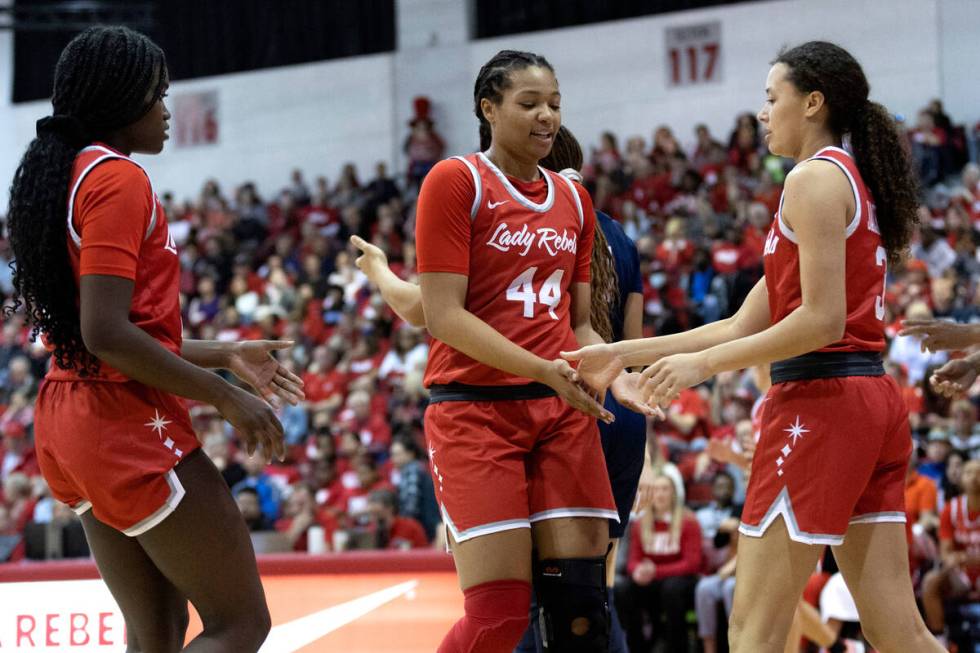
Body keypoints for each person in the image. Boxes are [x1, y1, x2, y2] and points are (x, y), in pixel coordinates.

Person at [563, 41, 942, 652]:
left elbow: (821, 321)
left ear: (813, 102)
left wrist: (702, 366)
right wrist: (622, 354)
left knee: (752, 631)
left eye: (772, 98)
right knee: (897, 629)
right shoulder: (846, 180)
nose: (763, 113)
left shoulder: (813, 179)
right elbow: (741, 324)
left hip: (820, 403)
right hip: (868, 402)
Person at [6, 26, 303, 652]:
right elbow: (107, 333)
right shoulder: (118, 180)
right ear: (120, 98)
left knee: (156, 634)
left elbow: (104, 335)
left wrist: (223, 354)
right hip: (122, 419)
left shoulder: (65, 174)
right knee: (240, 624)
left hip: (69, 416)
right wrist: (224, 396)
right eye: (157, 94)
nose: (167, 110)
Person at [352, 123, 654, 652]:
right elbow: (624, 337)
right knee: (584, 603)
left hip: (558, 395)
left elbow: (425, 310)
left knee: (527, 606)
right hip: (604, 397)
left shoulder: (504, 208)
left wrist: (380, 272)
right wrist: (625, 378)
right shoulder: (619, 235)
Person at [415, 49, 662, 653]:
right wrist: (544, 370)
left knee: (582, 614)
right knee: (499, 615)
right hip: (475, 412)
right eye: (528, 104)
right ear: (489, 108)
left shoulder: (575, 201)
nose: (546, 116)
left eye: (554, 103)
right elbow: (444, 315)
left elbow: (578, 324)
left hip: (562, 413)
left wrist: (616, 367)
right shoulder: (455, 181)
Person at [622, 474, 703, 653]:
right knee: (624, 588)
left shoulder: (689, 521)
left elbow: (692, 564)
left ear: (674, 493)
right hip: (653, 580)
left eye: (665, 489)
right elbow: (632, 562)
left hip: (682, 580)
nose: (660, 494)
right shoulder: (640, 523)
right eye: (656, 489)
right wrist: (637, 571)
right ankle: (638, 646)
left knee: (671, 589)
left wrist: (655, 571)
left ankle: (676, 646)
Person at [922, 458, 980, 644]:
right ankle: (940, 639)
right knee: (931, 581)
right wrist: (954, 559)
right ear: (960, 478)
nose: (974, 478)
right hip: (961, 575)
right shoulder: (951, 509)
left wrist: (967, 558)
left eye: (979, 473)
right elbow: (946, 553)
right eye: (969, 472)